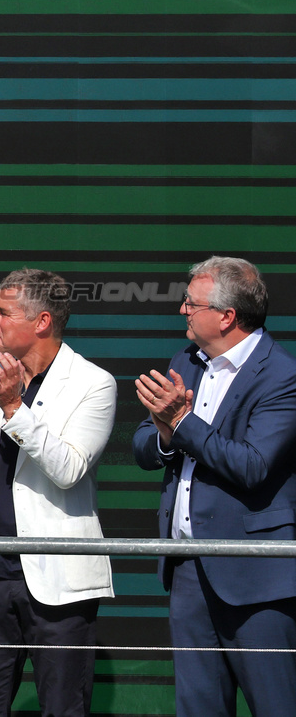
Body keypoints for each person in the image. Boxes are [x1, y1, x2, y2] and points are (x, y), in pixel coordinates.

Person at [0, 268, 116, 717]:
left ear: (41, 322)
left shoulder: (94, 383)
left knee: (63, 709)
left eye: (3, 312)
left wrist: (14, 406)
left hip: (59, 580)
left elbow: (69, 469)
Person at [132, 256, 296, 716]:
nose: (183, 310)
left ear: (227, 316)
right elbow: (145, 444)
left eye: (191, 303)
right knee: (198, 707)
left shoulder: (282, 376)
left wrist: (181, 422)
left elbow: (253, 465)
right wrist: (166, 434)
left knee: (276, 704)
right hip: (188, 567)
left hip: (256, 576)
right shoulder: (186, 360)